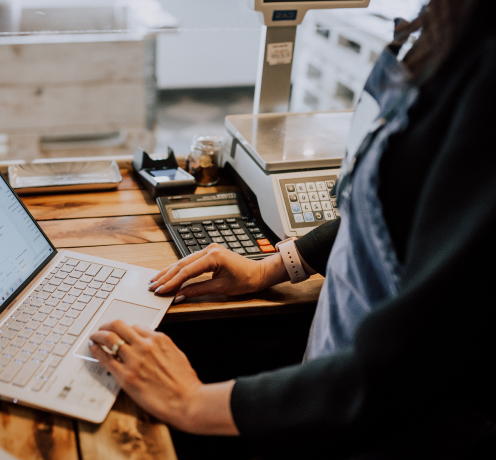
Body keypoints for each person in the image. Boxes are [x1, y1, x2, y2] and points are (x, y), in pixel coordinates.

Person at [88, 0, 496, 457]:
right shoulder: (447, 29)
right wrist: (272, 268)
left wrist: (193, 402)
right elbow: (383, 212)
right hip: (328, 398)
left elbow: (413, 368)